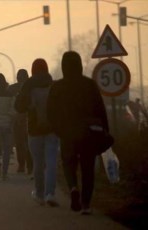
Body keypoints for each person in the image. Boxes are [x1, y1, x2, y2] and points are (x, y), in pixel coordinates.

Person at [47, 51, 109, 214]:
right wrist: (105, 131)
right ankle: (86, 204)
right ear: (80, 65)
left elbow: (50, 112)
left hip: (67, 132)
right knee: (88, 167)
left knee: (69, 163)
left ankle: (73, 188)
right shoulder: (89, 85)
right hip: (88, 133)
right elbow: (100, 109)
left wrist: (57, 129)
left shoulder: (57, 87)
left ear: (63, 66)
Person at [14, 59, 59, 207]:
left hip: (34, 129)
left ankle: (39, 194)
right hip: (52, 128)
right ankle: (50, 193)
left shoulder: (29, 84)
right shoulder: (52, 83)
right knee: (51, 160)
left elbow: (18, 106)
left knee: (38, 162)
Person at [8, 69, 33, 174]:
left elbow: (9, 105)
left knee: (19, 144)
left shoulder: (11, 89)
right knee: (28, 144)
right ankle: (30, 166)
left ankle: (21, 166)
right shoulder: (32, 88)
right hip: (29, 120)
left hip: (16, 120)